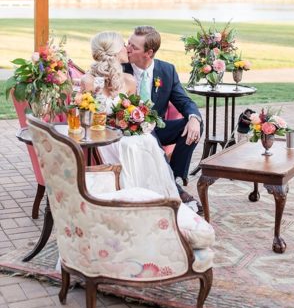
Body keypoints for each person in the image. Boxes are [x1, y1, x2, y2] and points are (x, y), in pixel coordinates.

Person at [81, 31, 180, 199]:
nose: (127, 48)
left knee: (146, 140)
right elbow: (84, 117)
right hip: (102, 137)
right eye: (124, 45)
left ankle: (152, 196)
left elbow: (131, 113)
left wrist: (138, 122)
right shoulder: (89, 81)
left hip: (123, 133)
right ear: (114, 52)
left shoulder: (129, 81)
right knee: (132, 145)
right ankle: (129, 196)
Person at [124, 25, 203, 207]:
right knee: (147, 134)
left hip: (157, 128)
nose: (128, 48)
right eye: (128, 43)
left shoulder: (167, 70)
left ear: (149, 53)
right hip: (130, 131)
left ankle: (174, 177)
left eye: (134, 47)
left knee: (194, 124)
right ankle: (176, 191)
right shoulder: (121, 69)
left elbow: (183, 100)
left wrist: (194, 118)